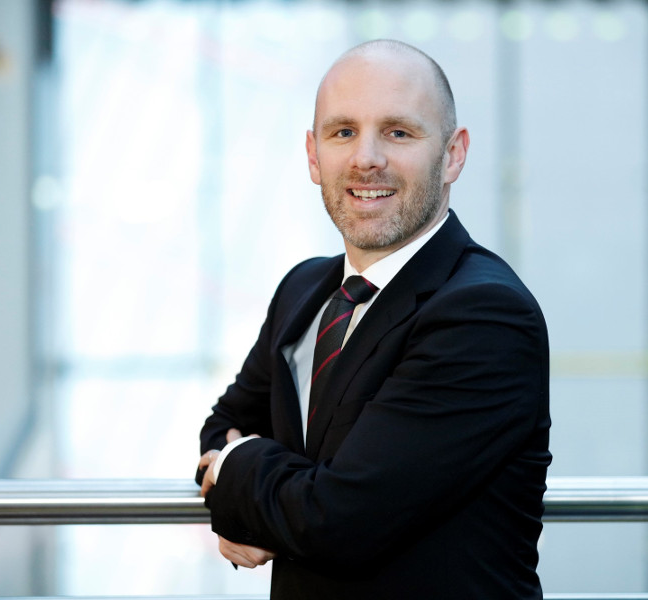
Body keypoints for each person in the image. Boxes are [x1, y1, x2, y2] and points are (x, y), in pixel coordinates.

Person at [196, 39, 551, 600]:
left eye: (398, 132)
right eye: (343, 132)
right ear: (313, 156)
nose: (366, 159)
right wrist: (250, 482)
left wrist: (240, 476)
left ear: (453, 154)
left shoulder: (484, 315)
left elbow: (339, 520)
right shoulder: (303, 290)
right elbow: (225, 422)